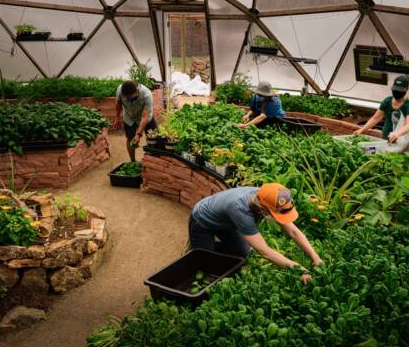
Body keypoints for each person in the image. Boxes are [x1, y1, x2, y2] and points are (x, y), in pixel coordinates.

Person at [189, 183, 322, 284]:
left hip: (227, 221)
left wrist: (316, 258)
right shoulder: (241, 210)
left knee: (242, 252)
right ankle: (200, 249)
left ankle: (210, 247)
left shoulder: (265, 197)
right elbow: (264, 251)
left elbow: (293, 231)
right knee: (205, 264)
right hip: (202, 221)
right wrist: (299, 270)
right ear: (262, 209)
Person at [353, 75, 409, 152]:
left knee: (397, 159)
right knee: (377, 153)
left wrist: (397, 134)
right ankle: (367, 152)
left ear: (406, 89)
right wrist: (362, 129)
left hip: (401, 139)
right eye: (395, 90)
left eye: (399, 91)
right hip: (386, 136)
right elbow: (375, 118)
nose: (396, 92)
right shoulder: (387, 101)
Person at [115, 80, 156, 162]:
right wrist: (117, 118)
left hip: (146, 118)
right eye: (127, 98)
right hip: (129, 117)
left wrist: (138, 135)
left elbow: (145, 117)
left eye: (132, 97)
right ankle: (133, 161)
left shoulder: (146, 94)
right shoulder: (120, 90)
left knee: (153, 139)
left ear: (137, 90)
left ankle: (153, 160)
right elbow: (118, 103)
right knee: (130, 139)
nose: (129, 99)